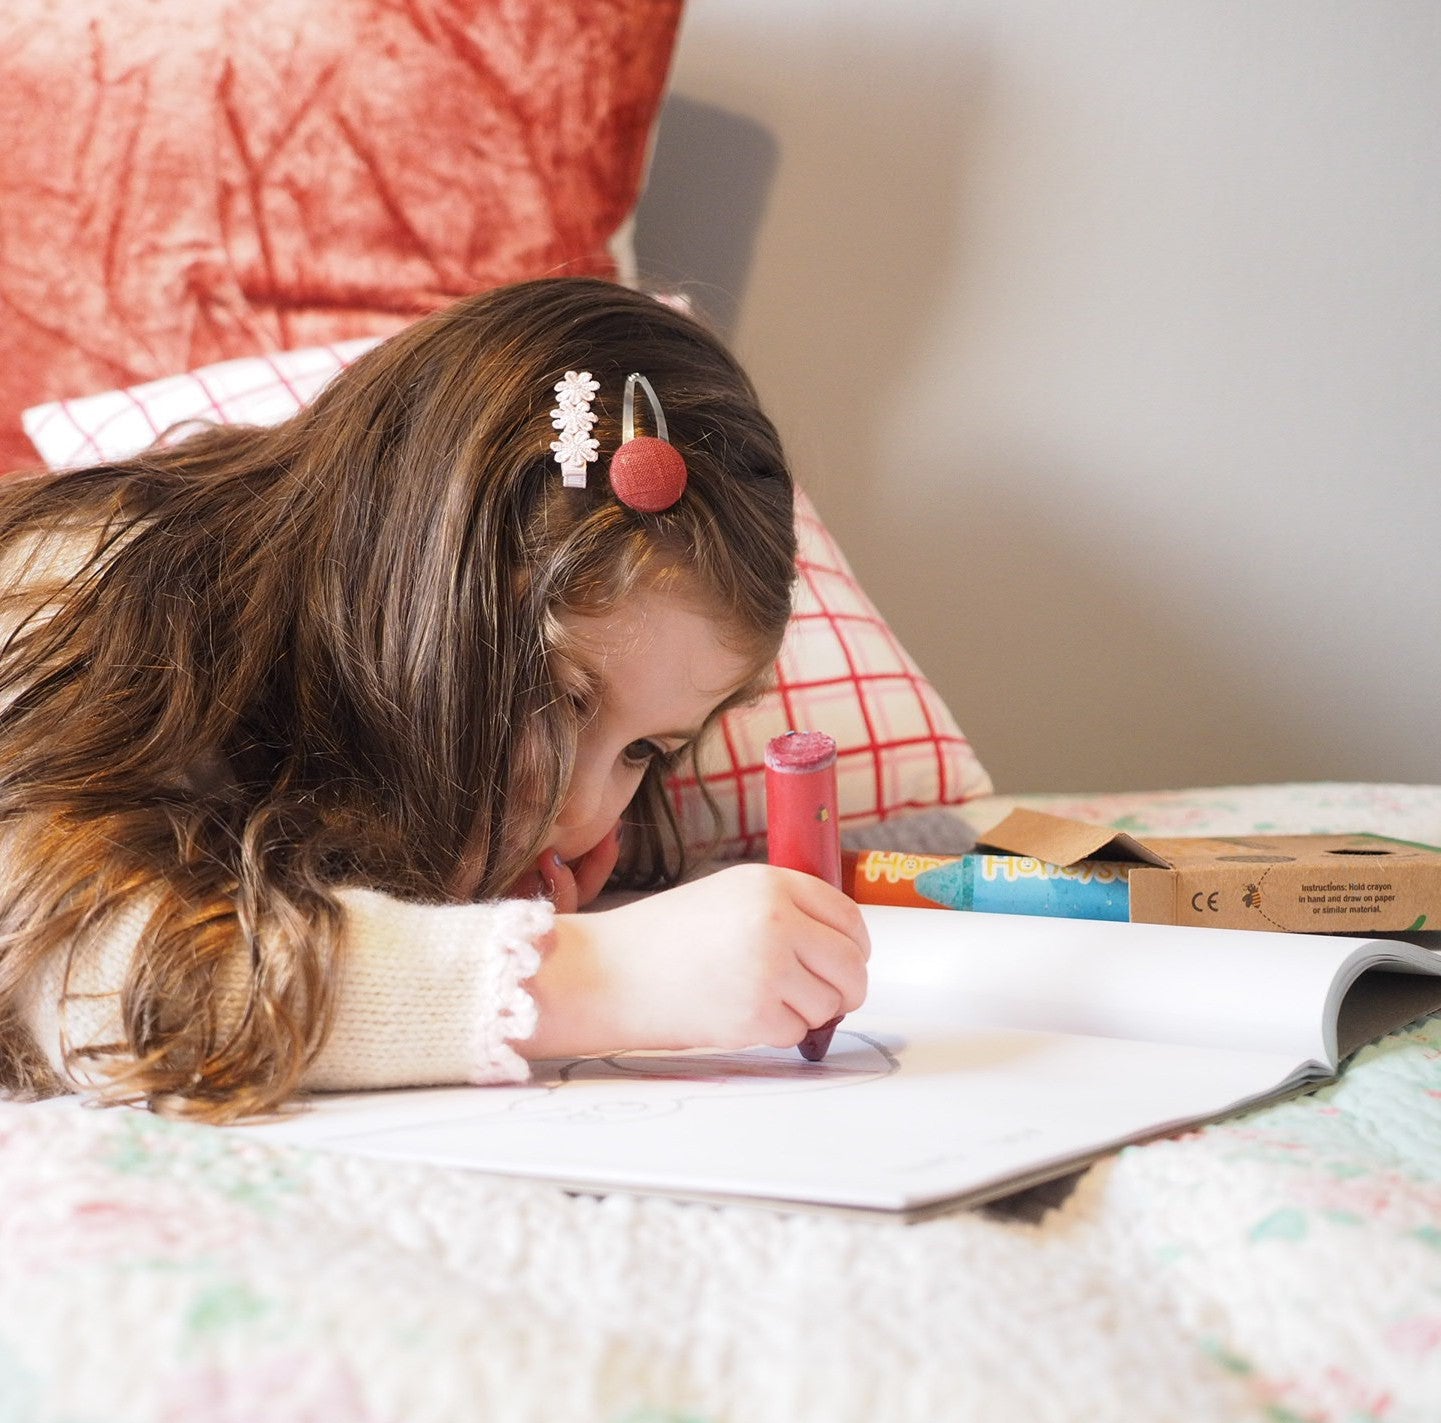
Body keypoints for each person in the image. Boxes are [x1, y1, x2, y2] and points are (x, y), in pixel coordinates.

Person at [0, 278, 870, 1122]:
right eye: (560, 699)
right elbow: (80, 971)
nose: (580, 814)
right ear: (409, 580)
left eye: (643, 751)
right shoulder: (98, 599)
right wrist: (580, 978)